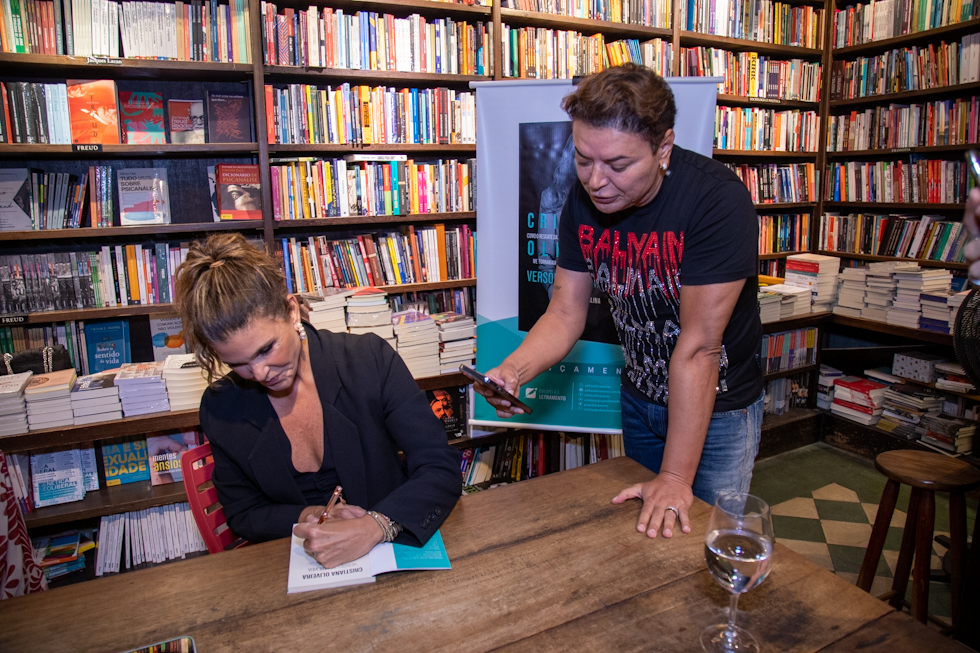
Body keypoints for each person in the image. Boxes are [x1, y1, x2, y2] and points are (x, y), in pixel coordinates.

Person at [478, 64, 763, 541]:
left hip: (715, 411)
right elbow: (565, 313)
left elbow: (699, 348)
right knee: (640, 535)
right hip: (640, 398)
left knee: (704, 542)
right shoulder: (581, 201)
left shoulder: (716, 200)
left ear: (663, 148)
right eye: (583, 159)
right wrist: (513, 371)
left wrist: (674, 478)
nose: (595, 180)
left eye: (618, 165)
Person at [175, 233, 461, 569]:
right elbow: (244, 514)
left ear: (291, 310)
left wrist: (375, 527)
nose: (260, 372)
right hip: (293, 572)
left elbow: (438, 466)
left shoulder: (367, 360)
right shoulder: (221, 407)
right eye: (237, 363)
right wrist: (308, 515)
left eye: (266, 349)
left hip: (393, 553)